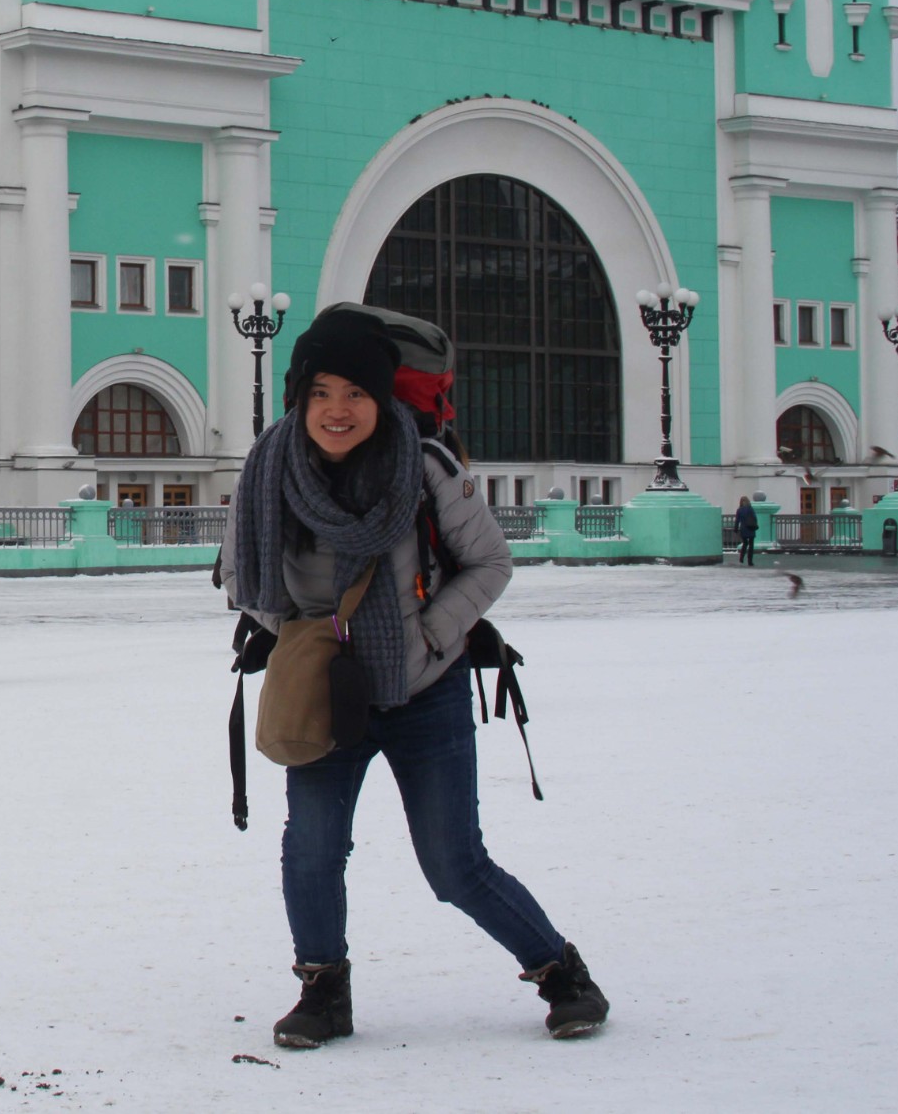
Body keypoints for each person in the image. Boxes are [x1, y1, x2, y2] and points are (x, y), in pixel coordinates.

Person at [222, 306, 609, 1048]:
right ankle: (323, 989)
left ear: (384, 399)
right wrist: (311, 649)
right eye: (322, 392)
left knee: (452, 863)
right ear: (299, 397)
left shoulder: (425, 466)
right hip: (328, 697)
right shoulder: (268, 469)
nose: (339, 410)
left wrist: (429, 636)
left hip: (425, 691)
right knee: (311, 844)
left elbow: (491, 562)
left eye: (357, 393)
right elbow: (242, 576)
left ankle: (561, 971)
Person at [734, 495, 758, 565]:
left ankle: (741, 558)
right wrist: (755, 524)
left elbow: (737, 521)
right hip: (751, 528)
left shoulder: (739, 510)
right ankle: (750, 561)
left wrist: (735, 529)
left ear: (741, 502)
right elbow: (755, 517)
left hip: (743, 529)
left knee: (745, 543)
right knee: (751, 545)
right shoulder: (750, 509)